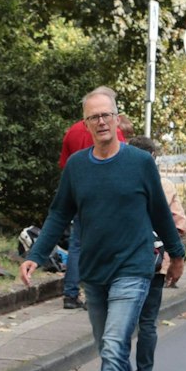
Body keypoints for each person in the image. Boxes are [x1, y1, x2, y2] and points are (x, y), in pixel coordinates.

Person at [20, 88, 186, 371]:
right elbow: (59, 214)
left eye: (106, 115)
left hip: (133, 269)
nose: (101, 122)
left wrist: (177, 255)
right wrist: (36, 254)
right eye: (93, 117)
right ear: (85, 124)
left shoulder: (139, 163)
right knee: (112, 351)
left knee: (112, 348)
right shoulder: (77, 167)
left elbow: (160, 213)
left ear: (117, 119)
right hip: (94, 273)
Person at [126, 136, 186, 371]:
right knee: (148, 323)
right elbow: (181, 224)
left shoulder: (119, 183)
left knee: (120, 325)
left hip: (123, 264)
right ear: (152, 158)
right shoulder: (165, 185)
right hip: (155, 264)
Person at [54, 113, 133, 310]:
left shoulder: (72, 131)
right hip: (106, 196)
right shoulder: (110, 130)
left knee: (77, 244)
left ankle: (70, 294)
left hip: (78, 193)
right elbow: (123, 163)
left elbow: (65, 165)